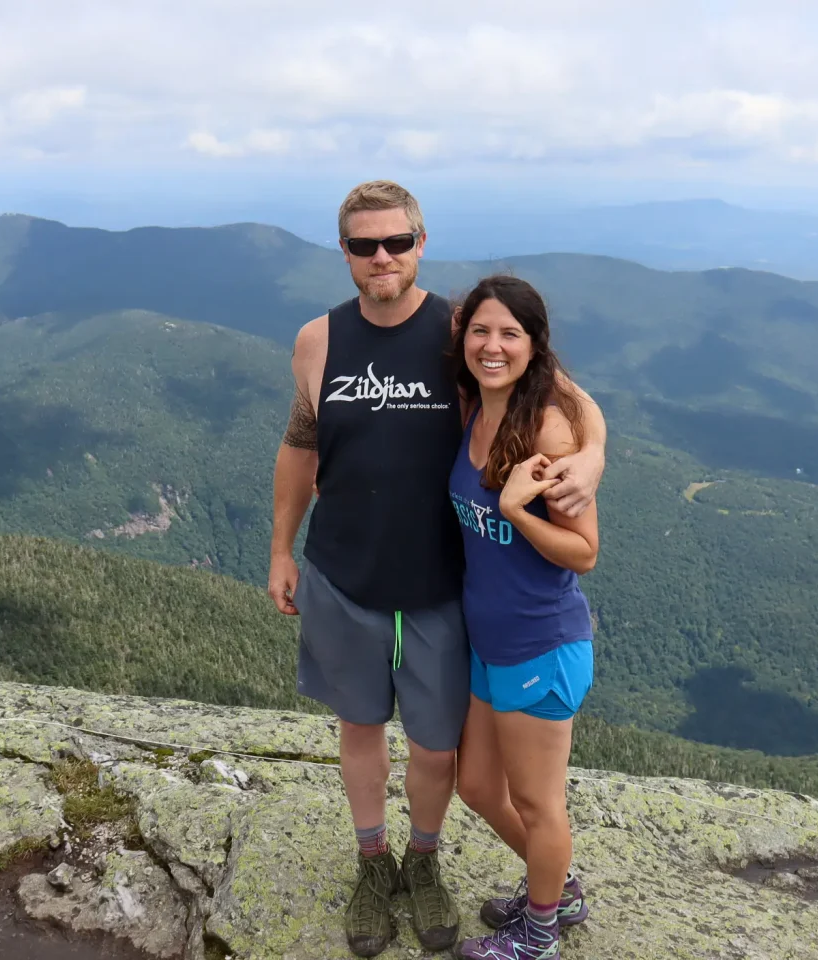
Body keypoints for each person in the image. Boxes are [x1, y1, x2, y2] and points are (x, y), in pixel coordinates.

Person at [267, 181, 607, 958]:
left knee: (434, 746)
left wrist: (590, 456)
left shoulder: (457, 335)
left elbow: (562, 391)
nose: (381, 257)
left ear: (422, 244)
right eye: (363, 244)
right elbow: (299, 445)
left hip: (439, 585)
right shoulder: (316, 341)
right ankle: (371, 862)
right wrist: (282, 549)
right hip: (342, 572)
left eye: (396, 242)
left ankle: (424, 862)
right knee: (358, 728)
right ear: (346, 252)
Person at [450, 276, 599, 960]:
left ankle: (538, 938)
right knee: (478, 786)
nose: (492, 345)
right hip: (489, 643)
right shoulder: (474, 409)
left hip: (540, 645)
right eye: (481, 330)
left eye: (511, 334)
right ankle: (555, 889)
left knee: (540, 805)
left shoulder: (548, 429)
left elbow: (584, 550)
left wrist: (515, 510)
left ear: (535, 347)